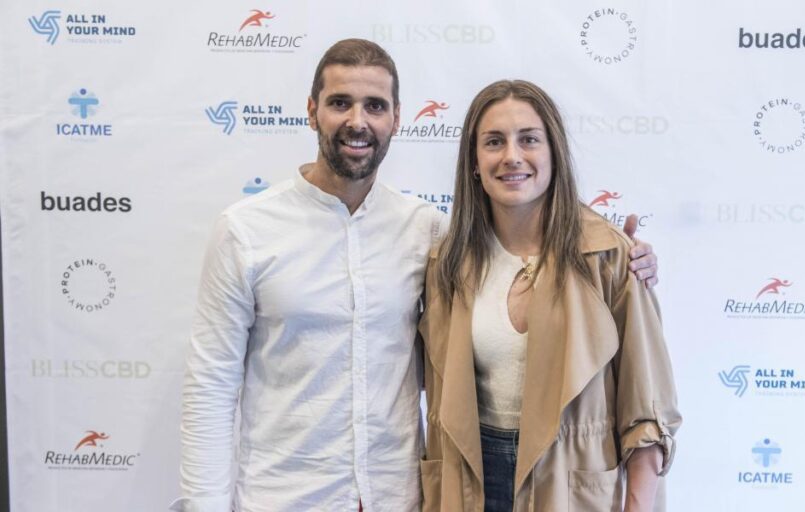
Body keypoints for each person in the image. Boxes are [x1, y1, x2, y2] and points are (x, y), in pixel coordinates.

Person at [172, 40, 659, 511]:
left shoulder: (428, 233)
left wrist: (625, 258)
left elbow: (644, 405)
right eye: (340, 102)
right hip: (286, 495)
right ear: (311, 109)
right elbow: (211, 386)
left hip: (400, 495)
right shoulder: (246, 231)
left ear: (397, 119)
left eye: (375, 105)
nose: (357, 121)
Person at [419, 80, 681, 511]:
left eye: (529, 140)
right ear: (474, 163)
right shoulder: (447, 263)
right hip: (469, 484)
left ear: (553, 153)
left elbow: (647, 413)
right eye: (494, 142)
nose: (512, 156)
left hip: (569, 486)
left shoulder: (610, 256)